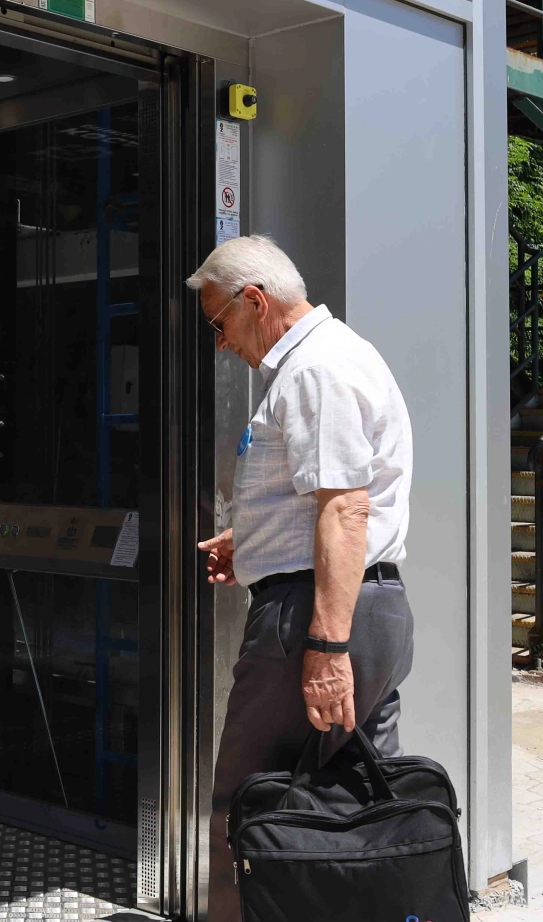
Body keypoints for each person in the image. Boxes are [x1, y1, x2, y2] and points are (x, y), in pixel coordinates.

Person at [189, 235, 415, 922]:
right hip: (359, 604)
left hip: (315, 614)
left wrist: (327, 647)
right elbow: (324, 498)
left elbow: (346, 508)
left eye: (219, 324)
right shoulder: (328, 359)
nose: (221, 343)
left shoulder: (314, 369)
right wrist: (252, 540)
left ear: (254, 301)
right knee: (352, 796)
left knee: (246, 802)